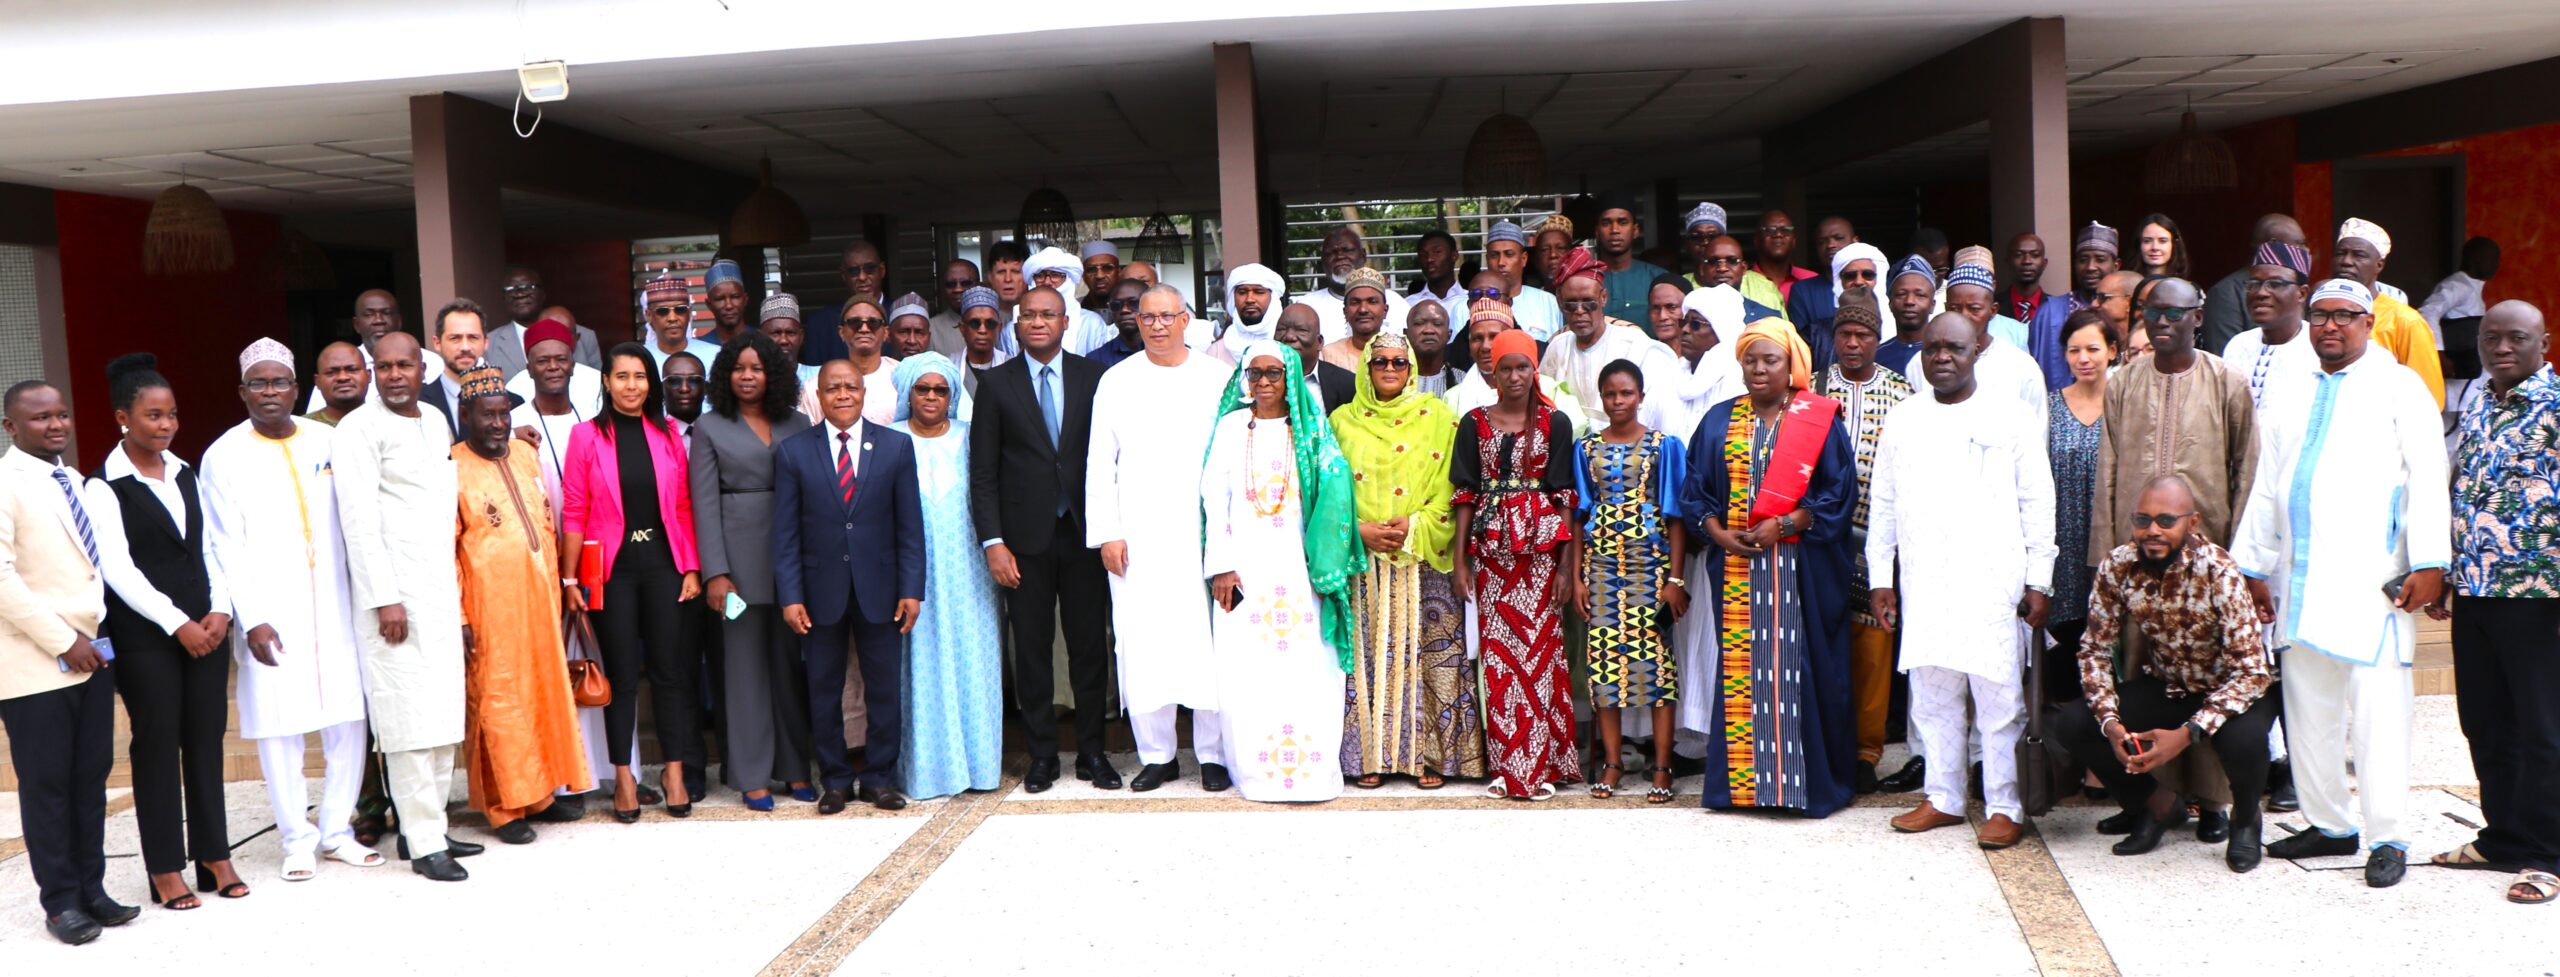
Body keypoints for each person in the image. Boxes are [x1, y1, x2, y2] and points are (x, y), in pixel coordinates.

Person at [2233, 279, 2450, 888]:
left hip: (2374, 578)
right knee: (2308, 708)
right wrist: (2252, 563)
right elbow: (2268, 481)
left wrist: (2430, 561)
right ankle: (2330, 825)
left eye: (2344, 317)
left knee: (2380, 714)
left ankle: (2389, 836)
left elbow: (2429, 478)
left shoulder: (2399, 386)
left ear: (2368, 322)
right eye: (2320, 316)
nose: (2330, 327)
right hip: (2302, 578)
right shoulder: (2289, 385)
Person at [1868, 312, 2056, 849]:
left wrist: (2039, 580)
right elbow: (1883, 504)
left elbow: (2038, 502)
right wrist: (1883, 577)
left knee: (1999, 701)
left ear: (1977, 351)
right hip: (1926, 582)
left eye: (1954, 348)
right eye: (1933, 349)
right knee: (1932, 696)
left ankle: (2004, 805)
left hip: (1994, 581)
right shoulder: (1903, 418)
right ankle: (1944, 797)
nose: (1942, 357)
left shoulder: (2011, 416)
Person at [203, 340, 373, 882]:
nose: (270, 392)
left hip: (337, 604)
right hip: (271, 610)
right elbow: (222, 543)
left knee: (348, 718)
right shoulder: (223, 454)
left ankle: (337, 831)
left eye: (280, 383)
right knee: (280, 728)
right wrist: (250, 617)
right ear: (242, 392)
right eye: (259, 383)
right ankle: (296, 840)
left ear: (298, 390)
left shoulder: (328, 439)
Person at [82, 355, 243, 909]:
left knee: (205, 741)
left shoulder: (185, 472)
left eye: (172, 414)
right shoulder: (103, 487)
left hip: (205, 627)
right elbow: (119, 570)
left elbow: (207, 548)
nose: (167, 425)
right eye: (153, 415)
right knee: (156, 746)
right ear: (123, 418)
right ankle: (164, 868)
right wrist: (178, 624)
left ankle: (214, 855)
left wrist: (220, 611)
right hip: (147, 636)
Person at [2055, 475, 2278, 871]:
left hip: (2230, 692)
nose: (2152, 530)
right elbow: (2094, 649)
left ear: (2191, 524)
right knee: (2075, 723)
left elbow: (2252, 671)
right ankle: (2156, 806)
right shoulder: (2118, 565)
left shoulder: (2218, 570)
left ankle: (2246, 820)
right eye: (2142, 520)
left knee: (2243, 739)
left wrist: (2187, 734)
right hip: (2170, 687)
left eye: (2165, 520)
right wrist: (2111, 724)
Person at [1679, 321, 1857, 815]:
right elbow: (1695, 492)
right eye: (1751, 360)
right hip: (1736, 570)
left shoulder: (1817, 419)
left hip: (1800, 569)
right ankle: (1741, 788)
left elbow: (1840, 493)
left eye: (1770, 360)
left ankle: (1807, 787)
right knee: (1744, 673)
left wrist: (1788, 523)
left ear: (1791, 366)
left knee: (1800, 671)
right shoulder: (1718, 420)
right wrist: (1714, 532)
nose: (1759, 369)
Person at [2430, 300, 2560, 904]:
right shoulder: (2479, 401)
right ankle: (2503, 836)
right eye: (2490, 338)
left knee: (2542, 728)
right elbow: (2468, 491)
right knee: (2484, 721)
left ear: (2543, 342)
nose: (2501, 348)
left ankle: (2545, 853)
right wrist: (2452, 571)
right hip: (2477, 590)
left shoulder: (2555, 408)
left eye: (2516, 338)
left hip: (2538, 596)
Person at [331, 329, 472, 881]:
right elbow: (358, 522)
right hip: (393, 597)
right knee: (408, 720)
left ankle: (427, 829)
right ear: (372, 371)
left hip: (437, 588)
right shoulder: (357, 428)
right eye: (383, 366)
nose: (394, 375)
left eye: (404, 366)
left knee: (440, 713)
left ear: (423, 369)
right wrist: (385, 599)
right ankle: (422, 837)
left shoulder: (435, 422)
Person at [0, 380, 132, 943]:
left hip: (90, 656)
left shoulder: (71, 480)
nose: (55, 425)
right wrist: (63, 639)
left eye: (61, 415)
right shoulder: (5, 483)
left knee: (90, 776)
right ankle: (60, 903)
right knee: (48, 784)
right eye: (39, 418)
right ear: (11, 427)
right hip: (34, 661)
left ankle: (91, 890)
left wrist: (89, 639)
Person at [1201, 341, 1362, 802]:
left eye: (1274, 373)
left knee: (1310, 668)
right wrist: (1222, 567)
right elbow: (1214, 500)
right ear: (1244, 381)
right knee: (1246, 671)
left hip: (1301, 570)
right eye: (1255, 374)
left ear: (1291, 377)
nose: (1265, 382)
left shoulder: (1311, 428)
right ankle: (1254, 773)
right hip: (1245, 570)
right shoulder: (1232, 427)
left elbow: (1335, 498)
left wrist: (1327, 566)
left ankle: (1312, 774)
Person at [1087, 287, 1234, 792]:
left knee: (1208, 643)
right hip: (1139, 535)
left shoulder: (1217, 378)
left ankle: (1213, 754)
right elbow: (1099, 462)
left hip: (1201, 532)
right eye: (1146, 316)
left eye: (1166, 316)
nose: (1155, 325)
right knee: (1143, 642)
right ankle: (1158, 754)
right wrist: (1107, 532)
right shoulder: (1116, 380)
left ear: (1186, 319)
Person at [971, 285, 1117, 792]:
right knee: (1030, 648)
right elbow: (983, 472)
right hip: (1022, 541)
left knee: (1089, 647)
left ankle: (1093, 752)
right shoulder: (995, 385)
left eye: (1048, 315)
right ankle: (1042, 756)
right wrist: (993, 542)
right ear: (1017, 325)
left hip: (1084, 534)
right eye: (1029, 315)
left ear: (1065, 322)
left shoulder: (1095, 378)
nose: (1038, 322)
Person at [561, 343, 704, 823]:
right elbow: (575, 509)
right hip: (611, 571)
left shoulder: (665, 433)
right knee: (622, 677)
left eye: (640, 377)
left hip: (664, 565)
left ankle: (675, 772)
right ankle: (623, 776)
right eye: (622, 376)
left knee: (670, 673)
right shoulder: (585, 436)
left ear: (651, 383)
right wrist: (570, 577)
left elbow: (683, 505)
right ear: (605, 381)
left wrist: (690, 567)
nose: (631, 386)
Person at [776, 359, 925, 812]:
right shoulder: (793, 451)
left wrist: (912, 589)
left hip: (881, 588)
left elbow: (910, 527)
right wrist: (791, 596)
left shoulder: (896, 447)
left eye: (851, 387)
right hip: (819, 593)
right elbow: (785, 533)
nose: (843, 395)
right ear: (818, 396)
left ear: (864, 393)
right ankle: (836, 780)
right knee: (824, 688)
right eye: (832, 388)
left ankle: (879, 777)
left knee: (884, 688)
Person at [1329, 331, 1474, 789]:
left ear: (1412, 369)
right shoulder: (1341, 421)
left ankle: (1429, 757)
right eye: (1380, 363)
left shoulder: (1438, 418)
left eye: (1399, 363)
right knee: (1366, 659)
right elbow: (1327, 490)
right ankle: (1367, 756)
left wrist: (1414, 524)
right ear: (1365, 369)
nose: (1389, 370)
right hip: (1362, 560)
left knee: (1429, 659)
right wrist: (1360, 530)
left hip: (1423, 555)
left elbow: (1453, 486)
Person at [448, 369, 586, 843]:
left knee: (540, 695)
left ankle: (540, 793)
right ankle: (503, 806)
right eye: (487, 415)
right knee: (498, 702)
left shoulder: (527, 453)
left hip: (540, 603)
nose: (498, 424)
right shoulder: (451, 465)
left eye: (505, 413)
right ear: (466, 415)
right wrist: (461, 615)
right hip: (488, 609)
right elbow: (448, 548)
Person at [1452, 329, 1582, 800]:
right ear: (1493, 372)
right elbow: (1465, 494)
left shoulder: (1556, 423)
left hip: (1541, 555)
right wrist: (1460, 560)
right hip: (1492, 557)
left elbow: (1565, 496)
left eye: (1521, 367)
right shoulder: (1474, 423)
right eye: (1504, 367)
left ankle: (1547, 761)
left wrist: (1567, 567)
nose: (1513, 376)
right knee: (1501, 660)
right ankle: (1510, 766)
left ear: (1534, 370)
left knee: (1544, 657)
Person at [691, 330, 817, 811]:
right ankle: (751, 774)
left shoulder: (798, 423)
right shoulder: (710, 426)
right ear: (727, 374)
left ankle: (794, 768)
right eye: (740, 368)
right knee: (744, 672)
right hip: (737, 566)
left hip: (791, 562)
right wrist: (715, 572)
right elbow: (702, 503)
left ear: (774, 374)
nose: (748, 376)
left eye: (757, 368)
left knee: (789, 668)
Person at [1558, 359, 1685, 803]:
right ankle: (1611, 764)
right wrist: (1575, 578)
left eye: (1626, 393)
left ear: (1641, 396)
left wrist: (1676, 579)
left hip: (1650, 570)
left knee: (1657, 672)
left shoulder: (1663, 446)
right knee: (1604, 670)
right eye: (1610, 394)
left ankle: (1663, 768)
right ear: (1601, 397)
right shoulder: (1586, 449)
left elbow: (1674, 516)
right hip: (1602, 571)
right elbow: (1579, 517)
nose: (1618, 402)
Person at [890, 353, 1004, 799]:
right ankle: (928, 771)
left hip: (968, 572)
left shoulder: (973, 437)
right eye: (923, 389)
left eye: (942, 390)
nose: (933, 397)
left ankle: (979, 766)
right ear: (908, 394)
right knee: (919, 664)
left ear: (954, 395)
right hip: (912, 577)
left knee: (972, 659)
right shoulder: (889, 440)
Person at [2090, 277, 2257, 573]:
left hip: (2207, 552)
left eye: (2174, 314)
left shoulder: (2227, 381)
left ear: (2198, 318)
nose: (2162, 322)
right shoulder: (2124, 384)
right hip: (2135, 552)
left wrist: (2241, 558)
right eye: (2153, 314)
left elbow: (2247, 473)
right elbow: (2107, 473)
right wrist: (2104, 559)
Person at [1818, 294, 1913, 789]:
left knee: (1875, 644)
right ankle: (1829, 744)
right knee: (1825, 639)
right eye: (1845, 335)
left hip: (1878, 540)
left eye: (1864, 335)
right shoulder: (1814, 387)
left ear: (1879, 339)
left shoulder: (1900, 391)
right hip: (1818, 538)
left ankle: (1866, 752)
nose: (1853, 344)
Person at [2046, 309, 2118, 700]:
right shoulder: (2050, 406)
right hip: (2063, 549)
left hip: (2111, 544)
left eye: (2093, 348)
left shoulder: (2125, 402)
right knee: (2066, 656)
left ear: (2112, 351)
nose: (2084, 358)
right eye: (2074, 350)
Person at [1541, 247, 1684, 433]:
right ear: (1560, 302)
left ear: (1603, 298)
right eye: (1571, 305)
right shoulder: (1557, 347)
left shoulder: (1635, 344)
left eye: (1588, 303)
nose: (1580, 311)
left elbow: (1658, 415)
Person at [2331, 218, 2446, 409]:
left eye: (2358, 255)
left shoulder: (2405, 321)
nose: (2346, 261)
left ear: (2379, 265)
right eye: (2340, 254)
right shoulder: (2320, 312)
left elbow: (2428, 399)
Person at [305, 289, 445, 413]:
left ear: (399, 320)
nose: (379, 320)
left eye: (387, 313)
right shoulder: (342, 364)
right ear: (357, 324)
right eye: (369, 314)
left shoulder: (431, 361)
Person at [2220, 242, 2319, 409]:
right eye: (2254, 284)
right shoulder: (2238, 345)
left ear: (2301, 294)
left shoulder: (2317, 347)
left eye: (2275, 284)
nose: (2261, 293)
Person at [2201, 215, 2305, 355]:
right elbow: (2223, 361)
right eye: (2299, 243)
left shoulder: (2295, 286)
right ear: (2272, 244)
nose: (2306, 250)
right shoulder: (2226, 293)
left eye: (2275, 284)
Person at [485, 264, 603, 379]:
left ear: (543, 294)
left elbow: (599, 388)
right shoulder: (488, 344)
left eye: (528, 287)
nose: (519, 294)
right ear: (503, 298)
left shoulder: (585, 337)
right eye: (511, 290)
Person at [1298, 227, 1410, 345]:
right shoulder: (1306, 306)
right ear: (1322, 261)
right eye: (1331, 253)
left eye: (1347, 250)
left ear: (1363, 255)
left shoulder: (1395, 303)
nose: (1340, 256)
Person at [501, 307, 604, 415]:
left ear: (572, 366)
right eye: (542, 361)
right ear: (529, 369)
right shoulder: (516, 387)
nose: (553, 366)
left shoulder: (596, 382)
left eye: (561, 359)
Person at [418, 299, 494, 441]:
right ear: (437, 343)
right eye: (455, 338)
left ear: (485, 343)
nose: (465, 347)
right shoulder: (418, 403)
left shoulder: (512, 403)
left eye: (473, 337)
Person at [1481, 220, 1566, 341]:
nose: (1501, 263)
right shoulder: (1466, 307)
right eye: (1494, 255)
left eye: (1509, 254)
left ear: (1524, 259)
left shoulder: (1548, 303)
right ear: (1487, 259)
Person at [1188, 262, 1284, 363]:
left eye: (1259, 292)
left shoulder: (1287, 344)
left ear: (1273, 298)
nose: (1249, 299)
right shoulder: (1216, 352)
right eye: (1242, 292)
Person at [1276, 303, 1356, 414]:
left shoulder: (1348, 384)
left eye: (1301, 330)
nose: (1289, 336)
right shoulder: (1260, 380)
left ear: (1319, 342)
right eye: (1281, 329)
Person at [834, 298, 901, 426]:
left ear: (886, 332)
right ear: (842, 332)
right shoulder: (824, 382)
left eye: (873, 323)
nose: (864, 329)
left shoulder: (903, 377)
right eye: (855, 322)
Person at [642, 272, 724, 375]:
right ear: (649, 315)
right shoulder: (639, 360)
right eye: (662, 311)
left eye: (680, 310)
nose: (672, 318)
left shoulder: (715, 356)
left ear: (689, 313)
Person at [1319, 267, 1394, 371]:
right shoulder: (1328, 355)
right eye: (1355, 302)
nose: (1363, 309)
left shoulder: (1399, 353)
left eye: (1372, 301)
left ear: (1385, 310)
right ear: (1345, 312)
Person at [2420, 237, 2500, 328]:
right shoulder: (2457, 286)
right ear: (2476, 258)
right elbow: (2428, 312)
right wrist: (2437, 342)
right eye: (2493, 259)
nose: (2496, 265)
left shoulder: (2471, 286)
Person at [1747, 209, 1819, 304]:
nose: (1778, 234)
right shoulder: (1743, 281)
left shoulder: (1812, 280)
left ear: (1794, 241)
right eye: (1769, 230)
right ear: (1756, 240)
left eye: (1785, 230)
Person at [1879, 255, 1935, 377]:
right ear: (1890, 303)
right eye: (1901, 294)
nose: (1909, 301)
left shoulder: (1943, 356)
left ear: (1932, 305)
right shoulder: (1876, 357)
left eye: (1920, 295)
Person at [952, 285, 1012, 392]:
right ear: (962, 328)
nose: (983, 330)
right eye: (975, 323)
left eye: (990, 323)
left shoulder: (1013, 368)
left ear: (999, 328)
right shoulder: (950, 367)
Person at [1084, 279, 1149, 370]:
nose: (1124, 310)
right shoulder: (1096, 359)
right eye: (1116, 305)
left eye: (1134, 303)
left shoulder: (1167, 350)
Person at [1408, 228, 1468, 324]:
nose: (1429, 259)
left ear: (1454, 256)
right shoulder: (1408, 305)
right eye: (1423, 255)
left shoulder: (1470, 301)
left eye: (1437, 252)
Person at [1404, 300, 1460, 395]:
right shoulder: (1393, 379)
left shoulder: (1463, 381)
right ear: (1406, 334)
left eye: (1437, 324)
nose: (1429, 330)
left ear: (1449, 335)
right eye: (1419, 323)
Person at [307, 342, 370, 424]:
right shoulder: (302, 428)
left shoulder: (388, 423)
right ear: (317, 381)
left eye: (352, 370)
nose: (342, 377)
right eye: (331, 372)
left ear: (369, 376)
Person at [2001, 233, 2057, 324]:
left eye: (2035, 255)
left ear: (2044, 263)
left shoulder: (2057, 308)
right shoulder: (1992, 307)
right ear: (2008, 262)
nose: (2027, 261)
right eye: (2018, 255)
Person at [2134, 214, 2188, 279]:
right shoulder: (2125, 286)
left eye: (2163, 241)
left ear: (2174, 244)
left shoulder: (2187, 288)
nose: (2155, 247)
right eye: (2147, 241)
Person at [1079, 240, 1122, 311]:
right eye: (1091, 269)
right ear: (1083, 276)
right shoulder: (1074, 309)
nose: (1099, 276)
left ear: (1119, 272)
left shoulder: (1133, 307)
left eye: (1107, 268)